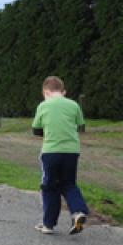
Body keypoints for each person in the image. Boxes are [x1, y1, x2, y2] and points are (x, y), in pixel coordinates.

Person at [32, 76, 89, 235]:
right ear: (63, 91)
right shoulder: (74, 105)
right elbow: (80, 125)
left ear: (45, 91)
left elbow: (36, 130)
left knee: (49, 186)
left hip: (51, 152)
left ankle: (48, 224)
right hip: (72, 151)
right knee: (69, 183)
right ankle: (78, 211)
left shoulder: (43, 106)